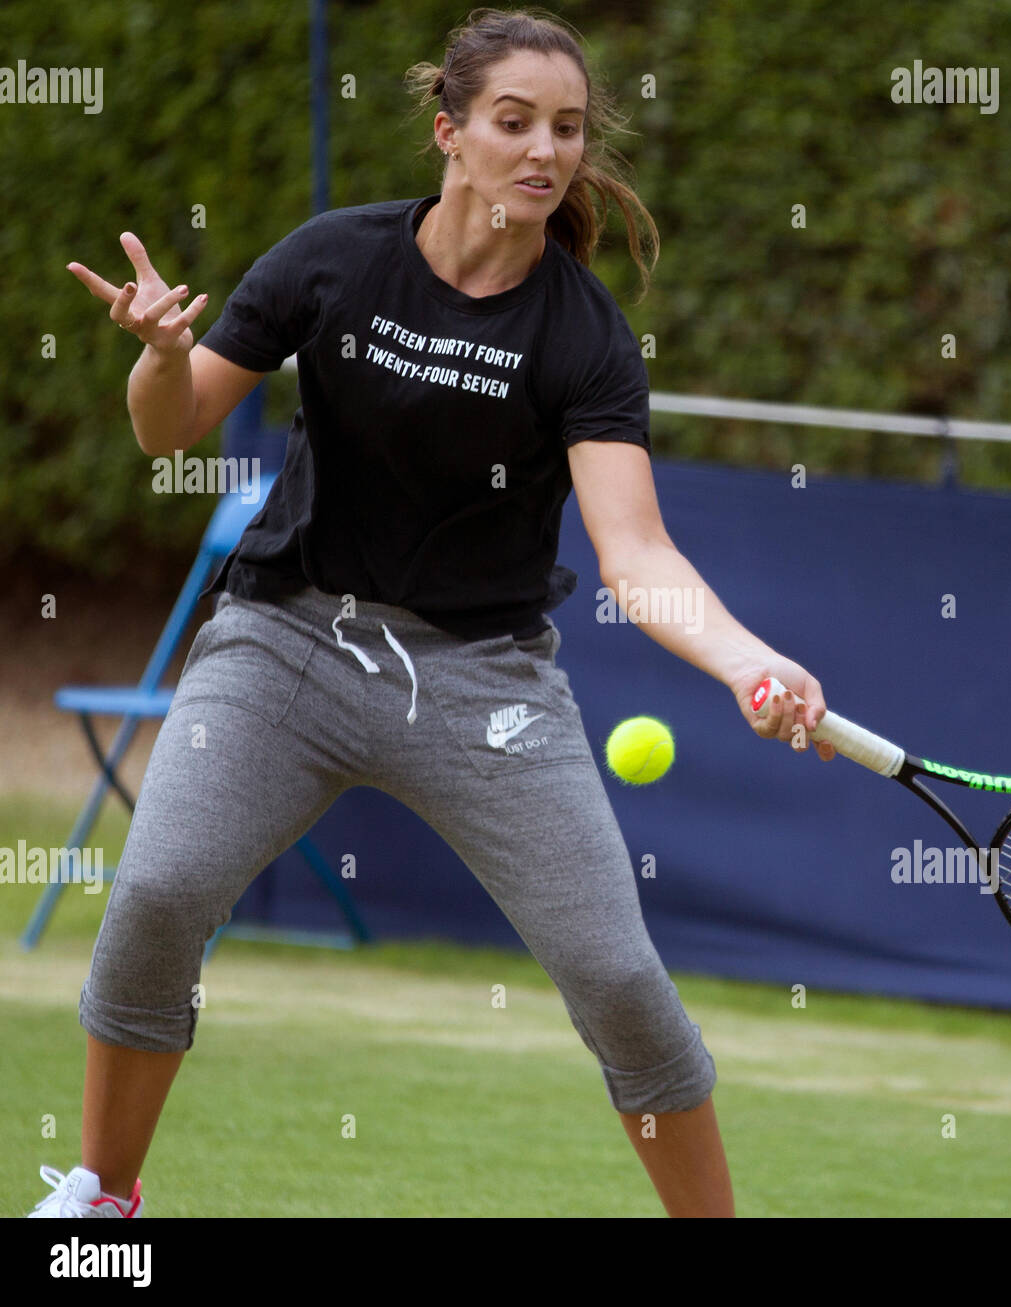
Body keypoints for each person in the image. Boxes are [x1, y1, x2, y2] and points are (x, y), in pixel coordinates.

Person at [35, 6, 835, 1220]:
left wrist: (746, 658)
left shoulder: (586, 338)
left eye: (565, 128)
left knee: (618, 974)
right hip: (285, 642)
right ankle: (103, 1196)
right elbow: (174, 426)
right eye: (513, 122)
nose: (543, 150)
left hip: (483, 684)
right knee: (156, 890)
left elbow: (638, 553)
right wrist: (154, 355)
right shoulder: (333, 259)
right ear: (449, 130)